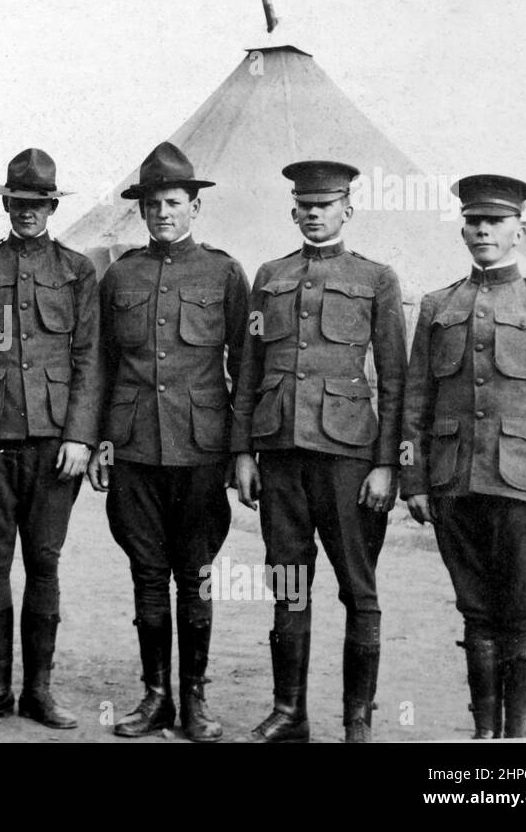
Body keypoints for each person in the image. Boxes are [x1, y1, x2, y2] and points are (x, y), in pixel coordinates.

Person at [401, 174, 526, 738]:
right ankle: (485, 734)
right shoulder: (439, 304)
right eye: (473, 221)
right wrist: (415, 480)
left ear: (519, 231)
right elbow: (417, 399)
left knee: (522, 615)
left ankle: (516, 740)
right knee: (474, 612)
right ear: (463, 229)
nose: (482, 230)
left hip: (523, 490)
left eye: (495, 222)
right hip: (454, 484)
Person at [231, 160, 406, 743]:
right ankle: (290, 713)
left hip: (349, 457)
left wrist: (386, 464)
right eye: (304, 204)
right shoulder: (269, 275)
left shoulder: (376, 278)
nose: (313, 213)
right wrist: (244, 453)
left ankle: (357, 721)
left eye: (325, 205)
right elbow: (250, 369)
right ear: (293, 210)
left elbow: (396, 378)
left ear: (347, 210)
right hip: (279, 452)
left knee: (359, 587)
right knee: (288, 580)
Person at [87, 143, 249, 740]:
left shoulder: (226, 273)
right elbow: (102, 363)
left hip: (201, 449)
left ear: (194, 207)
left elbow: (245, 364)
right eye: (152, 204)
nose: (162, 213)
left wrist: (239, 450)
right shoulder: (120, 274)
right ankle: (155, 697)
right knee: (147, 575)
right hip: (133, 449)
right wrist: (102, 438)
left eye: (173, 203)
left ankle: (196, 700)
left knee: (196, 574)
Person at [0, 148, 100, 730]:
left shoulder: (77, 270)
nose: (27, 212)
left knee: (44, 560)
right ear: (6, 203)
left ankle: (39, 690)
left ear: (51, 206)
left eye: (38, 204)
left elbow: (88, 357)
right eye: (18, 202)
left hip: (54, 442)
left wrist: (81, 436)